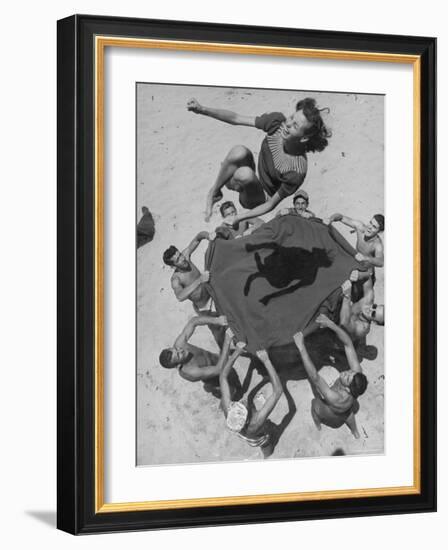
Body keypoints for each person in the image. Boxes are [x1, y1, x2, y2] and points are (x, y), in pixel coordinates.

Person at [187, 97, 331, 223]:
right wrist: (202, 109)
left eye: (295, 126)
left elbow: (270, 205)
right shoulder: (277, 123)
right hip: (256, 170)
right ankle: (215, 193)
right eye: (292, 117)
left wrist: (238, 218)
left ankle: (233, 181)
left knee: (244, 174)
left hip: (259, 198)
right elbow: (237, 118)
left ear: (304, 137)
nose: (288, 124)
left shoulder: (296, 171)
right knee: (239, 151)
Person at [293, 315, 368, 438]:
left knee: (314, 405)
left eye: (347, 378)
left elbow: (315, 377)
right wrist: (330, 324)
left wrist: (301, 348)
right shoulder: (357, 377)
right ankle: (355, 432)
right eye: (350, 372)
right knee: (348, 414)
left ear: (348, 389)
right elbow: (348, 344)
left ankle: (318, 425)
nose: (346, 372)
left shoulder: (334, 397)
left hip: (331, 412)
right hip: (347, 408)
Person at [220, 330, 283, 447]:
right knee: (266, 444)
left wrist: (236, 353)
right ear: (248, 419)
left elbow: (223, 376)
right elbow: (278, 391)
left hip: (240, 431)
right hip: (255, 437)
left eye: (239, 404)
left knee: (249, 401)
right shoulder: (256, 423)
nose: (242, 401)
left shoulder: (228, 409)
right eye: (244, 406)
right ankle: (268, 452)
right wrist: (266, 361)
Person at [159, 315, 229, 383]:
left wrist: (216, 320)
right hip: (217, 377)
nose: (181, 350)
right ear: (178, 365)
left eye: (176, 349)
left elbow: (193, 321)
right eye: (178, 355)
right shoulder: (191, 372)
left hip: (218, 359)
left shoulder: (180, 344)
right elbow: (218, 369)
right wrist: (227, 341)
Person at [163, 231, 214, 313]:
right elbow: (180, 296)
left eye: (180, 255)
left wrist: (208, 236)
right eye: (178, 260)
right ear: (173, 266)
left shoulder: (186, 256)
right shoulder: (176, 279)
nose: (182, 259)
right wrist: (199, 280)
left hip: (211, 291)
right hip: (204, 306)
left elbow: (198, 238)